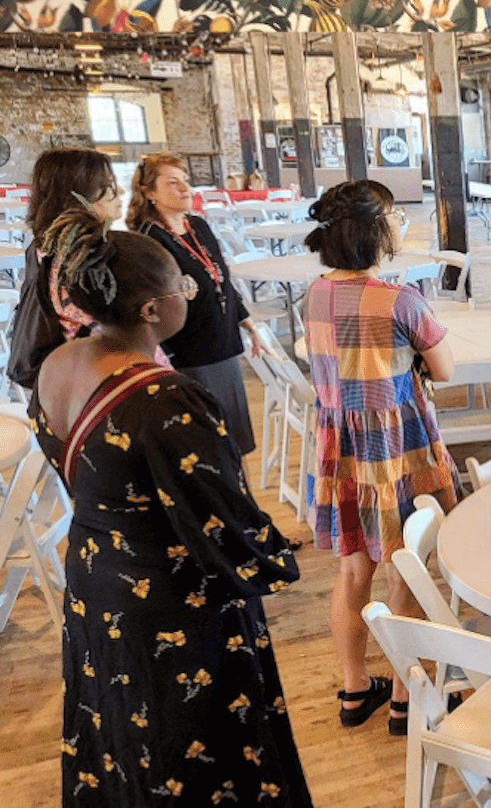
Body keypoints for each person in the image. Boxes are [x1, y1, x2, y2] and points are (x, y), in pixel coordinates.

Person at [27, 207, 311, 807]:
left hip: (96, 580)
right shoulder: (162, 395)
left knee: (120, 727)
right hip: (170, 598)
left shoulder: (55, 365)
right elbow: (220, 521)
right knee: (192, 741)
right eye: (182, 285)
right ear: (153, 310)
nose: (190, 292)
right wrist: (278, 560)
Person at [302, 180, 462, 736]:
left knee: (353, 571)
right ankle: (403, 696)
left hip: (339, 448)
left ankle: (353, 688)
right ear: (375, 234)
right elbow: (444, 370)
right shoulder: (401, 300)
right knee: (405, 568)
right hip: (395, 447)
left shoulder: (316, 293)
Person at [127, 153, 272, 456]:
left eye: (186, 182)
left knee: (236, 440)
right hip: (189, 353)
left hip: (224, 346)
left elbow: (220, 277)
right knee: (210, 446)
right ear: (149, 193)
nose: (184, 189)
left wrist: (247, 324)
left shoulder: (198, 226)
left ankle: (240, 501)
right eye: (172, 183)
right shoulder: (149, 240)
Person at [6, 148, 155, 390]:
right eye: (106, 185)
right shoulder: (83, 258)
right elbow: (115, 333)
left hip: (66, 385)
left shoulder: (48, 243)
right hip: (93, 386)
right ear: (76, 196)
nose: (120, 191)